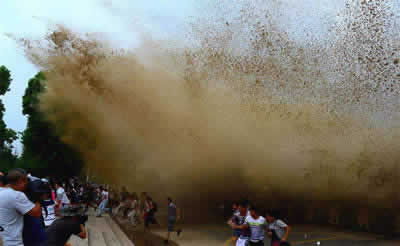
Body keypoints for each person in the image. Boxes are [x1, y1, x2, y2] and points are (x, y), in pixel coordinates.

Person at [0, 169, 42, 246]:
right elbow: (37, 213)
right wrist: (37, 196)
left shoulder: (2, 192)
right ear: (20, 181)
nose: (27, 184)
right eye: (26, 181)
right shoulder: (16, 195)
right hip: (13, 242)